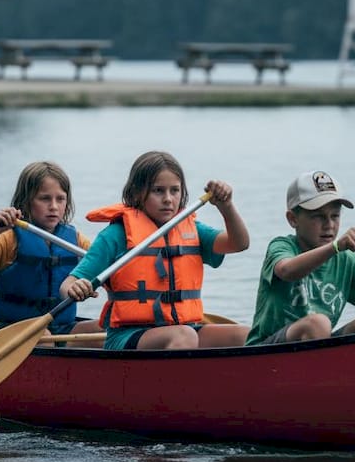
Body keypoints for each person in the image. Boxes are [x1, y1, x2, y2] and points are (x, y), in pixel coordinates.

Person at [61, 150, 250, 350]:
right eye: (158, 191)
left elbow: (239, 243)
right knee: (184, 337)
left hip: (184, 329)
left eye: (174, 190)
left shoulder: (193, 230)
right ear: (136, 193)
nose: (168, 199)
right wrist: (75, 288)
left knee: (246, 335)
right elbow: (67, 285)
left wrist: (226, 206)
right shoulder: (116, 235)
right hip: (128, 336)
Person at [245, 170, 355, 345]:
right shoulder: (282, 246)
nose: (329, 225)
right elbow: (286, 270)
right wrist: (335, 247)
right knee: (318, 323)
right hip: (267, 350)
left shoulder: (346, 261)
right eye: (318, 217)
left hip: (317, 349)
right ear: (293, 219)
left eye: (335, 216)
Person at [0, 161, 101, 335]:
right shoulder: (9, 238)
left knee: (106, 329)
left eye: (60, 199)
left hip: (62, 329)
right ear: (26, 201)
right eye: (45, 198)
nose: (54, 206)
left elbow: (104, 265)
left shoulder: (75, 240)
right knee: (42, 334)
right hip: (10, 330)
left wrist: (86, 285)